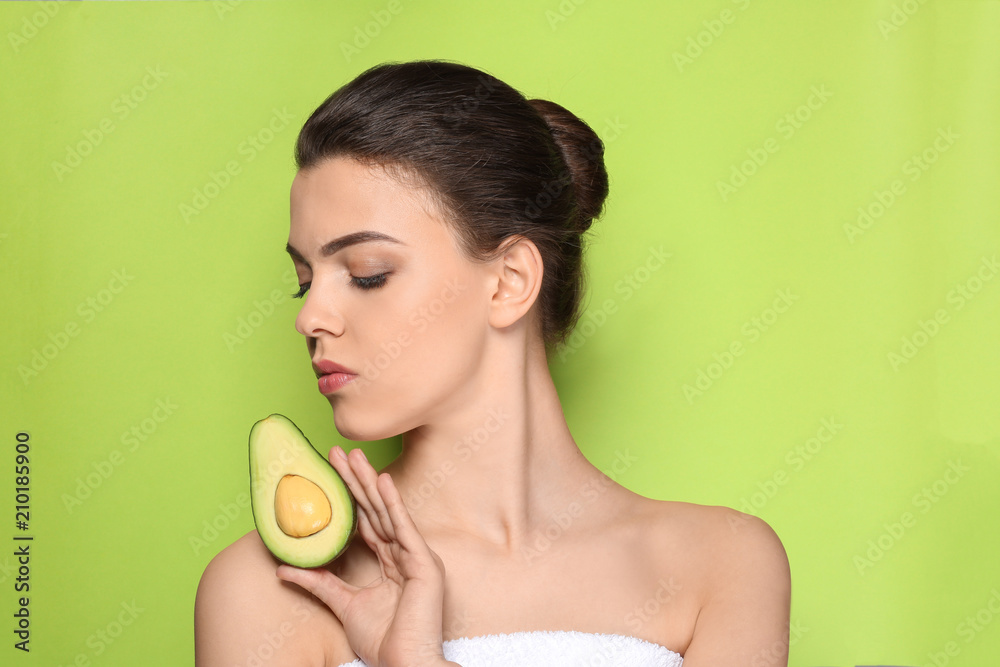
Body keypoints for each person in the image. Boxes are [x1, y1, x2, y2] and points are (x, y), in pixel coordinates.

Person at [194, 59, 791, 667]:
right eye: (304, 281)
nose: (310, 317)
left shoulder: (723, 566)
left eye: (367, 274)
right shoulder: (271, 592)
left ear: (509, 282)